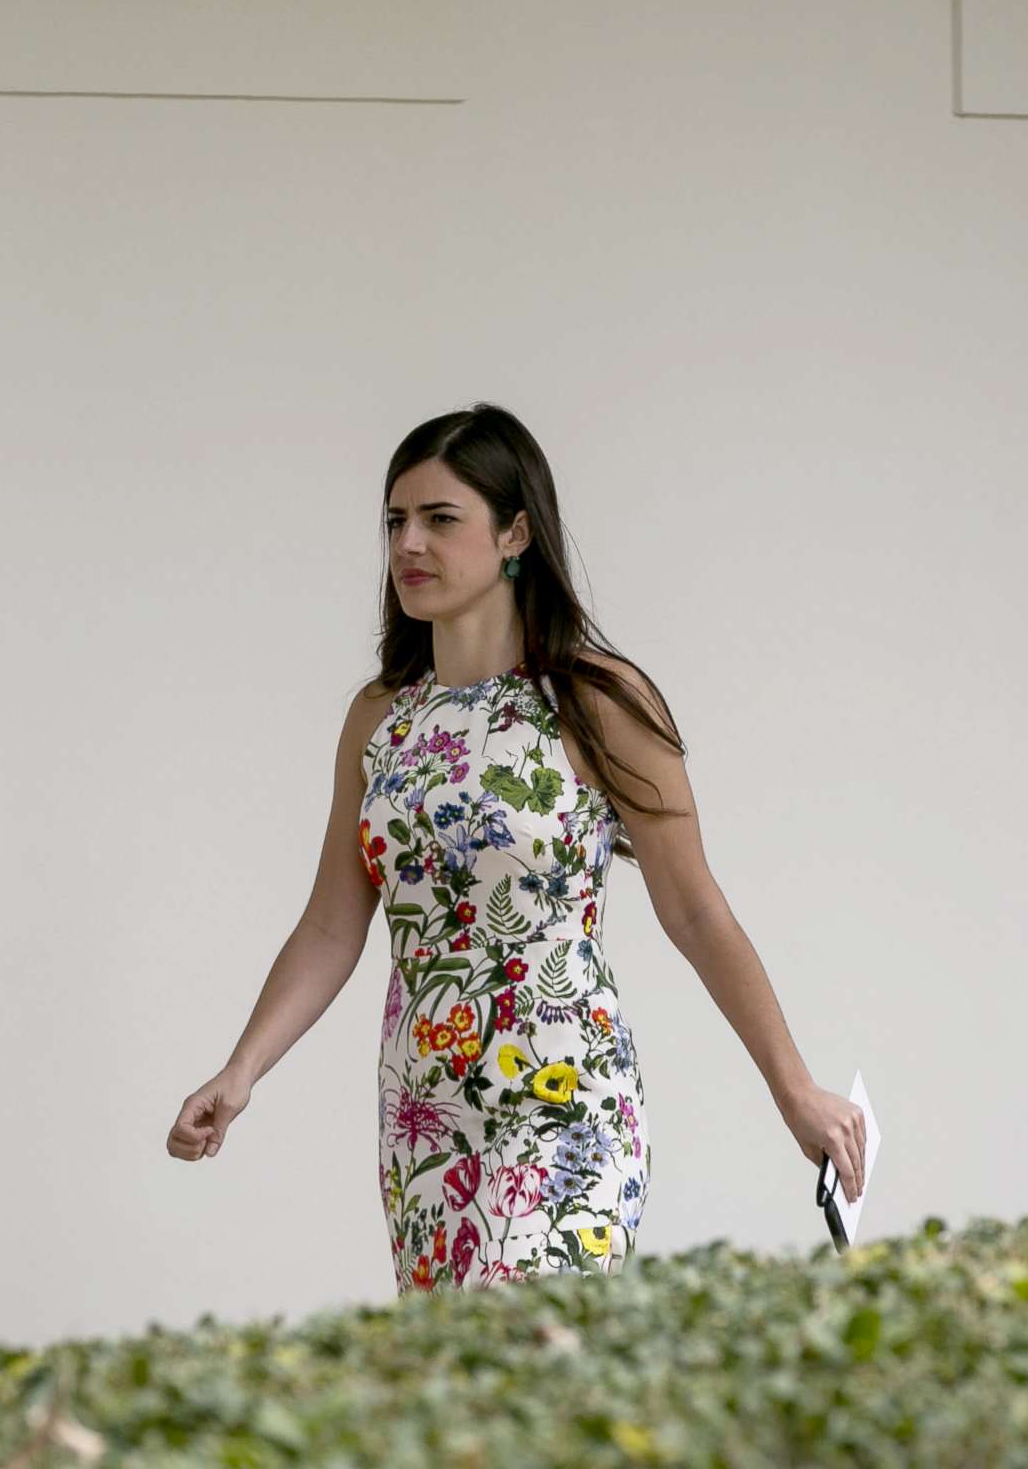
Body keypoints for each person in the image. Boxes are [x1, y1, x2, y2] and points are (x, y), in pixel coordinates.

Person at [166, 403, 869, 1294]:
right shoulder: (380, 720)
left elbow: (696, 911)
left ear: (516, 534)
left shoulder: (596, 700)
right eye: (395, 521)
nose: (408, 543)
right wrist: (242, 1070)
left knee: (520, 1324)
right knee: (470, 1400)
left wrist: (792, 1088)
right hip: (425, 1119)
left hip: (566, 1098)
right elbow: (331, 928)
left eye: (440, 519)